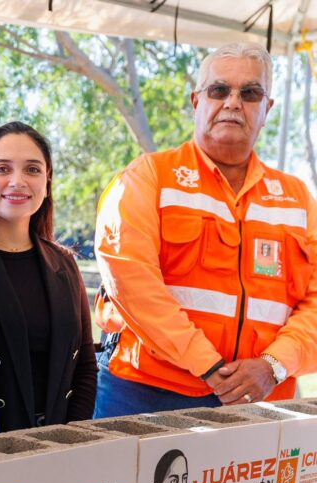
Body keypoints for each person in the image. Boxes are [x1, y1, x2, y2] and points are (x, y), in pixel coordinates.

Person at [94, 42, 317, 417]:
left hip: (262, 399)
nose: (233, 103)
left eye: (250, 93)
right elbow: (132, 283)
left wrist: (273, 366)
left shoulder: (297, 198)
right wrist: (209, 367)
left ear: (267, 109)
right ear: (197, 102)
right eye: (219, 90)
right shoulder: (149, 177)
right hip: (145, 393)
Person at [0, 122, 96, 430]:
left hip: (59, 440)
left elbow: (85, 365)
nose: (17, 181)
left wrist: (71, 436)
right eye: (2, 169)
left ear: (47, 181)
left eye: (32, 170)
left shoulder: (64, 264)